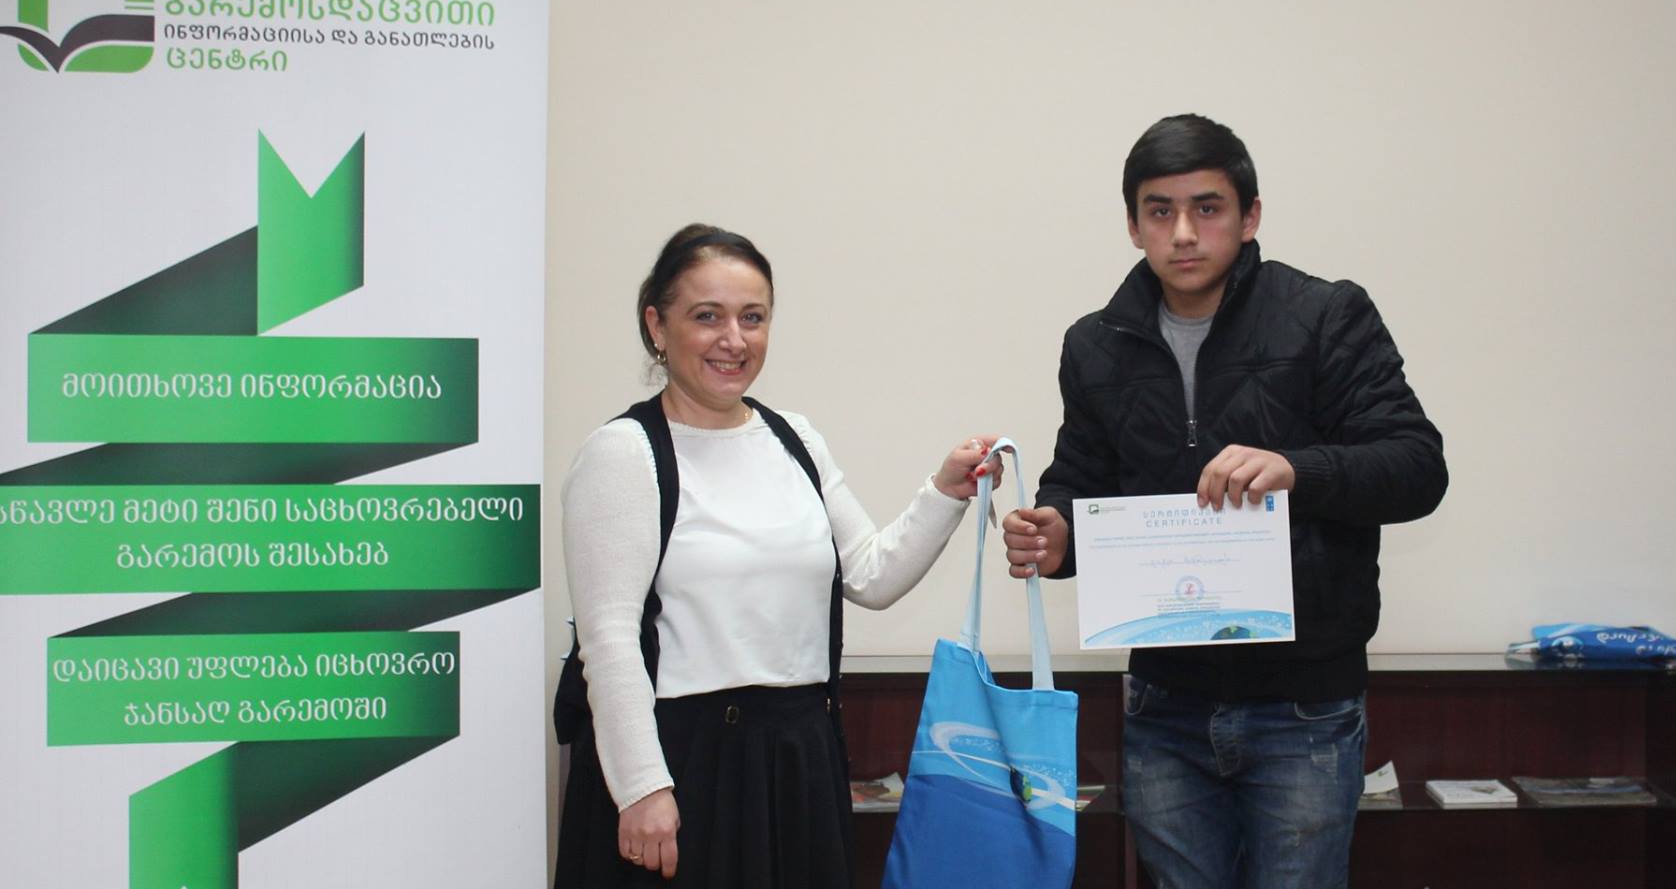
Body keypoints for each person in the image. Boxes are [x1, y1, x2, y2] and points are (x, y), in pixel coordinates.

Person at [1000, 115, 1447, 888]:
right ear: (1133, 225)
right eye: (1159, 210)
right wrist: (1056, 533)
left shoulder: (1325, 314)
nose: (1182, 232)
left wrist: (1296, 468)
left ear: (1250, 216)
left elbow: (1416, 466)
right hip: (1163, 699)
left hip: (1304, 703)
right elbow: (1078, 478)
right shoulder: (1095, 344)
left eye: (1206, 208)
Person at [560, 224, 998, 888]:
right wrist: (642, 787)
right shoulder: (624, 452)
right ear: (657, 325)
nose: (734, 339)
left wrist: (945, 490)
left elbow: (871, 574)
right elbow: (609, 637)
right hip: (682, 766)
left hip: (799, 758)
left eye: (752, 317)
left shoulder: (795, 439)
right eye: (707, 316)